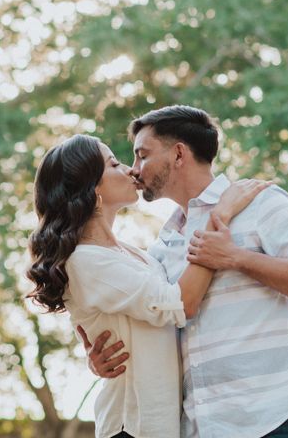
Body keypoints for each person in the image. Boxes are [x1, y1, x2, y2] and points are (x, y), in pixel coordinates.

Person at [81, 105, 288, 438]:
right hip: (201, 427)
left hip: (273, 417)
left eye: (142, 156)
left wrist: (236, 258)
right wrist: (100, 360)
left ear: (178, 154)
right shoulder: (165, 244)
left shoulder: (260, 202)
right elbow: (160, 316)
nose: (134, 170)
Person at [25, 133, 270, 438]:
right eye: (114, 163)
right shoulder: (85, 261)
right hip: (132, 427)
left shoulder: (135, 255)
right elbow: (180, 303)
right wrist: (220, 213)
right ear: (92, 188)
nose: (130, 169)